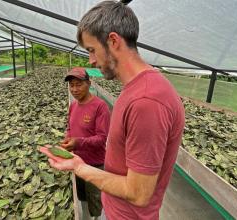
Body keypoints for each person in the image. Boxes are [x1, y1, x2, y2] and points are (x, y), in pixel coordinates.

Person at [40, 1, 185, 219]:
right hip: (116, 209)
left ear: (113, 41)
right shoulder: (134, 89)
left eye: (92, 50)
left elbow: (139, 193)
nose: (91, 60)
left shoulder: (147, 101)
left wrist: (79, 168)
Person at [62, 67, 110, 219]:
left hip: (95, 164)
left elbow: (102, 138)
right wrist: (68, 138)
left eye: (78, 84)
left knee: (95, 199)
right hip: (77, 162)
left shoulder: (100, 107)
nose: (74, 89)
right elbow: (70, 127)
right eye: (71, 85)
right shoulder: (73, 106)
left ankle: (96, 216)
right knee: (82, 195)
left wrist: (78, 143)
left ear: (89, 84)